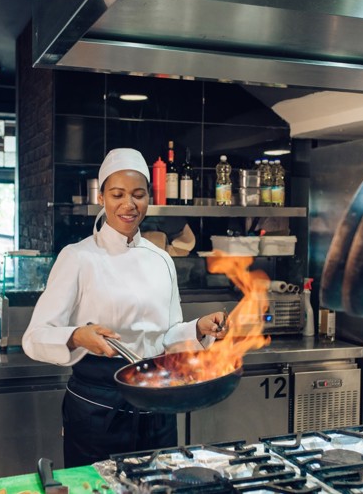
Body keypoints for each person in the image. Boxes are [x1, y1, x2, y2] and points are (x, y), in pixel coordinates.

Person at [22, 147, 228, 468]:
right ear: (101, 197)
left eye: (138, 194)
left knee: (159, 487)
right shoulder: (78, 257)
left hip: (156, 404)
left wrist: (197, 328)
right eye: (117, 194)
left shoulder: (160, 258)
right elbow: (35, 337)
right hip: (98, 409)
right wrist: (78, 336)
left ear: (149, 198)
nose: (129, 205)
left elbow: (168, 333)